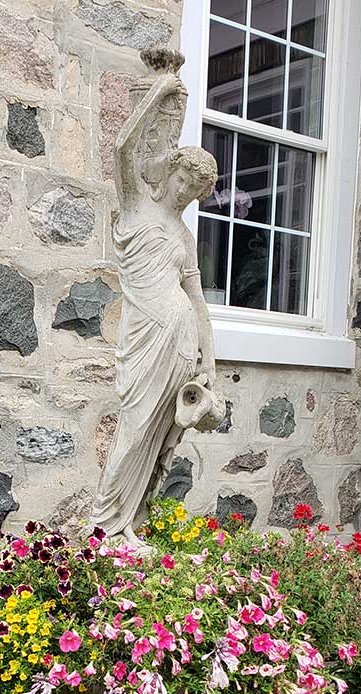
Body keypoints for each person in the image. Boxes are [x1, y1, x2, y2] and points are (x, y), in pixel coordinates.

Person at [90, 71, 218, 550]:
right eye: (184, 179)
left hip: (182, 338)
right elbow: (123, 148)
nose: (185, 192)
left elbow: (199, 301)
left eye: (195, 191)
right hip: (145, 337)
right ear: (169, 170)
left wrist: (210, 360)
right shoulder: (135, 204)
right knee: (135, 426)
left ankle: (131, 526)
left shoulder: (185, 236)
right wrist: (160, 93)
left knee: (164, 434)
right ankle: (102, 528)